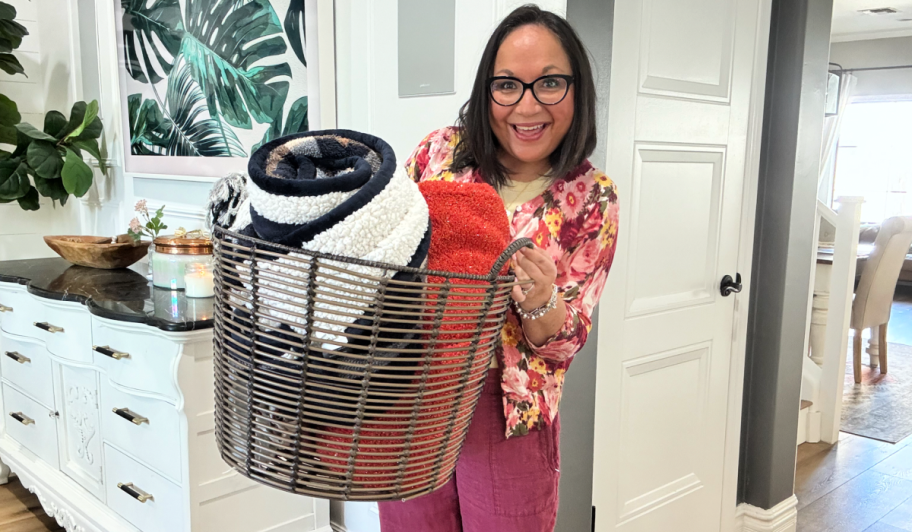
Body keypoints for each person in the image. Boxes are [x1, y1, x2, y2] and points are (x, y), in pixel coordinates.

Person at [378, 5, 619, 532]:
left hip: (508, 408)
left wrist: (540, 300)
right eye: (507, 85)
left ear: (577, 91)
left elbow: (565, 342)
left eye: (550, 83)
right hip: (416, 393)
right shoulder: (439, 153)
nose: (527, 106)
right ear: (486, 90)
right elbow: (387, 249)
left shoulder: (590, 198)